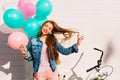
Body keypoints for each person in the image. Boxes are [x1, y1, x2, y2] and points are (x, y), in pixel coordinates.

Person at [19, 20, 84, 80]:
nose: (46, 29)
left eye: (49, 28)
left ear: (51, 31)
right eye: (46, 26)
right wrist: (24, 52)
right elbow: (30, 58)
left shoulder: (53, 41)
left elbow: (64, 51)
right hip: (39, 73)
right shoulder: (33, 41)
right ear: (43, 26)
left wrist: (77, 44)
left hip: (52, 72)